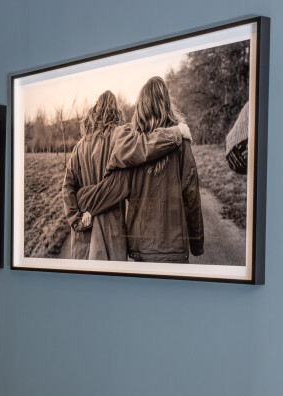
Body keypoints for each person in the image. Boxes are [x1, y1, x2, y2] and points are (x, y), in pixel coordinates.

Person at [76, 77, 205, 262]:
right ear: (167, 105)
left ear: (141, 106)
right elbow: (191, 195)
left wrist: (84, 199)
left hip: (142, 249)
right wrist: (197, 243)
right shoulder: (180, 142)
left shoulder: (132, 148)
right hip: (174, 251)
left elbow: (114, 188)